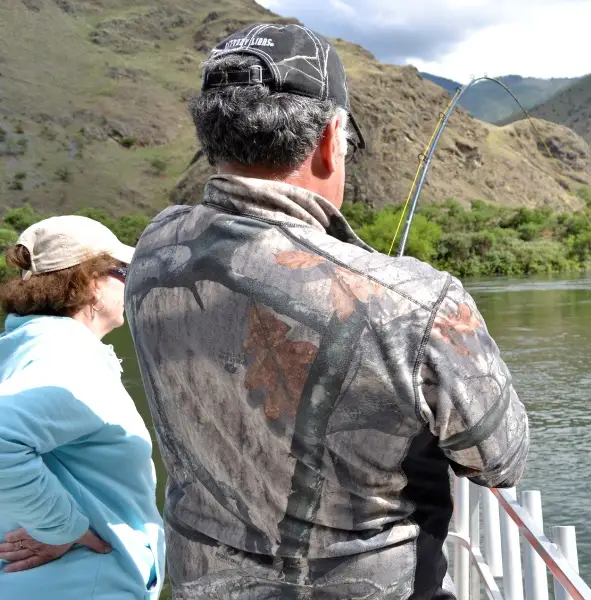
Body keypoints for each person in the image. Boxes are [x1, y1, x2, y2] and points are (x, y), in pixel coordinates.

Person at [124, 22, 529, 600]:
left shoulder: (155, 250)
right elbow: (502, 458)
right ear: (328, 138)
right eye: (347, 144)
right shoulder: (417, 303)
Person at [0, 215, 165, 599]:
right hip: (80, 584)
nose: (131, 281)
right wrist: (60, 529)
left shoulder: (21, 350)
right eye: (124, 271)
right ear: (90, 284)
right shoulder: (68, 356)